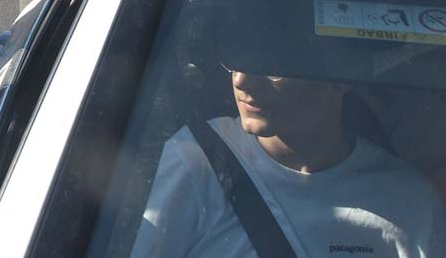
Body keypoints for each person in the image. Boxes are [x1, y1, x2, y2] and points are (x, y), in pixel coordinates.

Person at [132, 66, 445, 257]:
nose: (242, 80)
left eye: (273, 65)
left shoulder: (407, 202)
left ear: (341, 76)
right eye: (236, 60)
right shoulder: (200, 158)